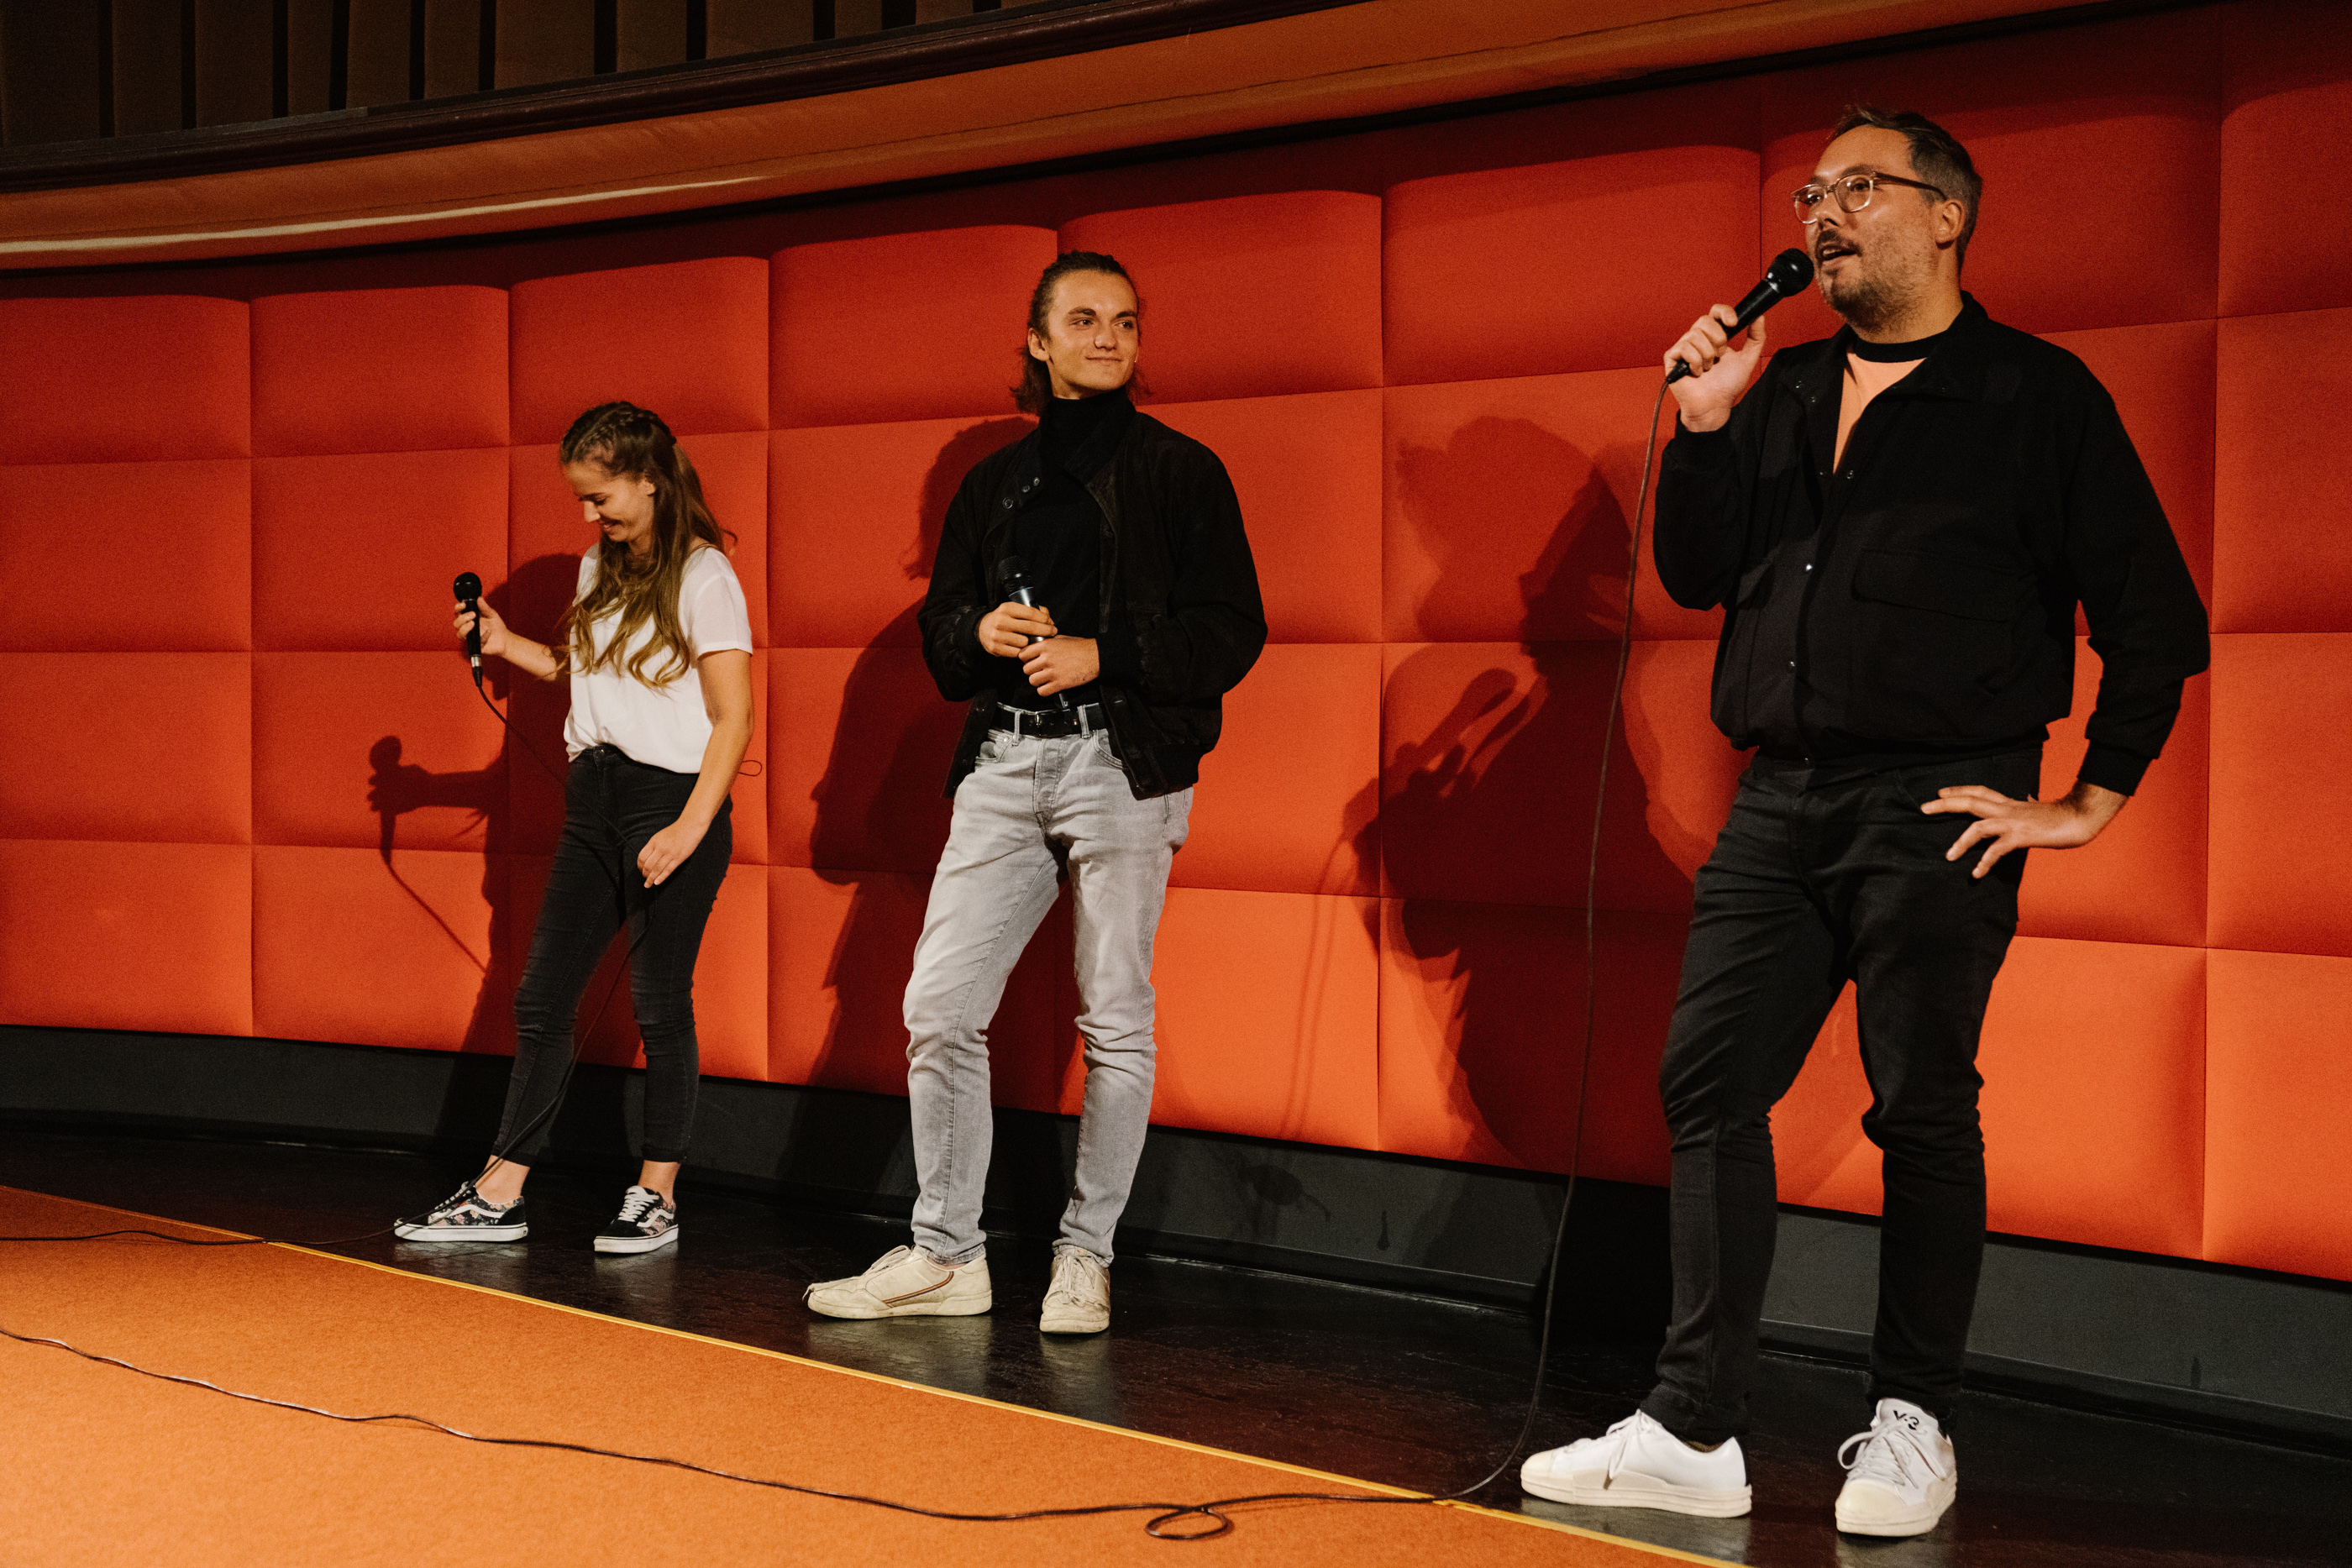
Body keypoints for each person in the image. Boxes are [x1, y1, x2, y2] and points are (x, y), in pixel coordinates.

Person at [1518, 108, 2208, 1536]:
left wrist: (2087, 800)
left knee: (1922, 1106)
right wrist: (1708, 425)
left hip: (1937, 801)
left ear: (1948, 213)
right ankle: (1693, 1428)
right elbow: (1700, 570)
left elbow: (2155, 617)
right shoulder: (1780, 387)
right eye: (1812, 193)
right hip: (1779, 795)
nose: (1823, 213)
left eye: (1859, 188)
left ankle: (1913, 1420)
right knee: (1708, 1082)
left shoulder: (2035, 394)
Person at [804, 251, 1265, 1334]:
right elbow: (941, 641)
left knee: (1114, 1017)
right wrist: (979, 628)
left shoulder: (1183, 471)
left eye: (1126, 321)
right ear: (1038, 342)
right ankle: (946, 1255)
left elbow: (1231, 630)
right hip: (1004, 759)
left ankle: (1085, 1255)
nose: (1109, 337)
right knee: (938, 1009)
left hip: (1122, 761)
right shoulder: (992, 485)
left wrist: (1106, 654)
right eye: (1085, 319)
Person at [394, 402, 754, 1256]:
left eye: (600, 496)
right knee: (542, 997)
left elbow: (733, 716)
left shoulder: (704, 574)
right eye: (583, 500)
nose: (591, 514)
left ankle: (656, 1195)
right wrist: (506, 642)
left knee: (659, 1002)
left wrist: (690, 827)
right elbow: (591, 673)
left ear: (650, 480)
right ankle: (500, 1193)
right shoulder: (600, 565)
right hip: (593, 797)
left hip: (672, 798)